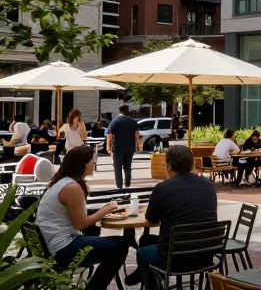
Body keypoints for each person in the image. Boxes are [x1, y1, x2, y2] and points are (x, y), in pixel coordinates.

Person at [36, 145, 129, 290]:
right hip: (62, 248)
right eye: (92, 161)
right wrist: (105, 210)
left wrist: (101, 210)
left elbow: (76, 214)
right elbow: (80, 224)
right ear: (82, 164)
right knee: (120, 246)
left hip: (55, 243)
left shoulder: (63, 182)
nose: (95, 164)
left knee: (113, 241)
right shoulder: (71, 187)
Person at [135, 144, 218, 290]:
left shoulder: (163, 188)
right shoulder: (208, 185)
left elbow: (150, 221)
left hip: (174, 259)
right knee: (146, 240)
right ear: (191, 163)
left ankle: (152, 283)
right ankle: (151, 277)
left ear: (169, 165)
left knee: (142, 252)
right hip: (206, 255)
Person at [106, 104, 140, 190]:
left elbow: (109, 135)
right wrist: (138, 146)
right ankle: (127, 185)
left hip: (118, 148)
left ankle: (119, 187)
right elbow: (137, 135)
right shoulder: (133, 121)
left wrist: (108, 147)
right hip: (130, 147)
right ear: (127, 110)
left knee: (117, 167)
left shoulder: (115, 121)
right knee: (127, 167)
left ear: (119, 110)